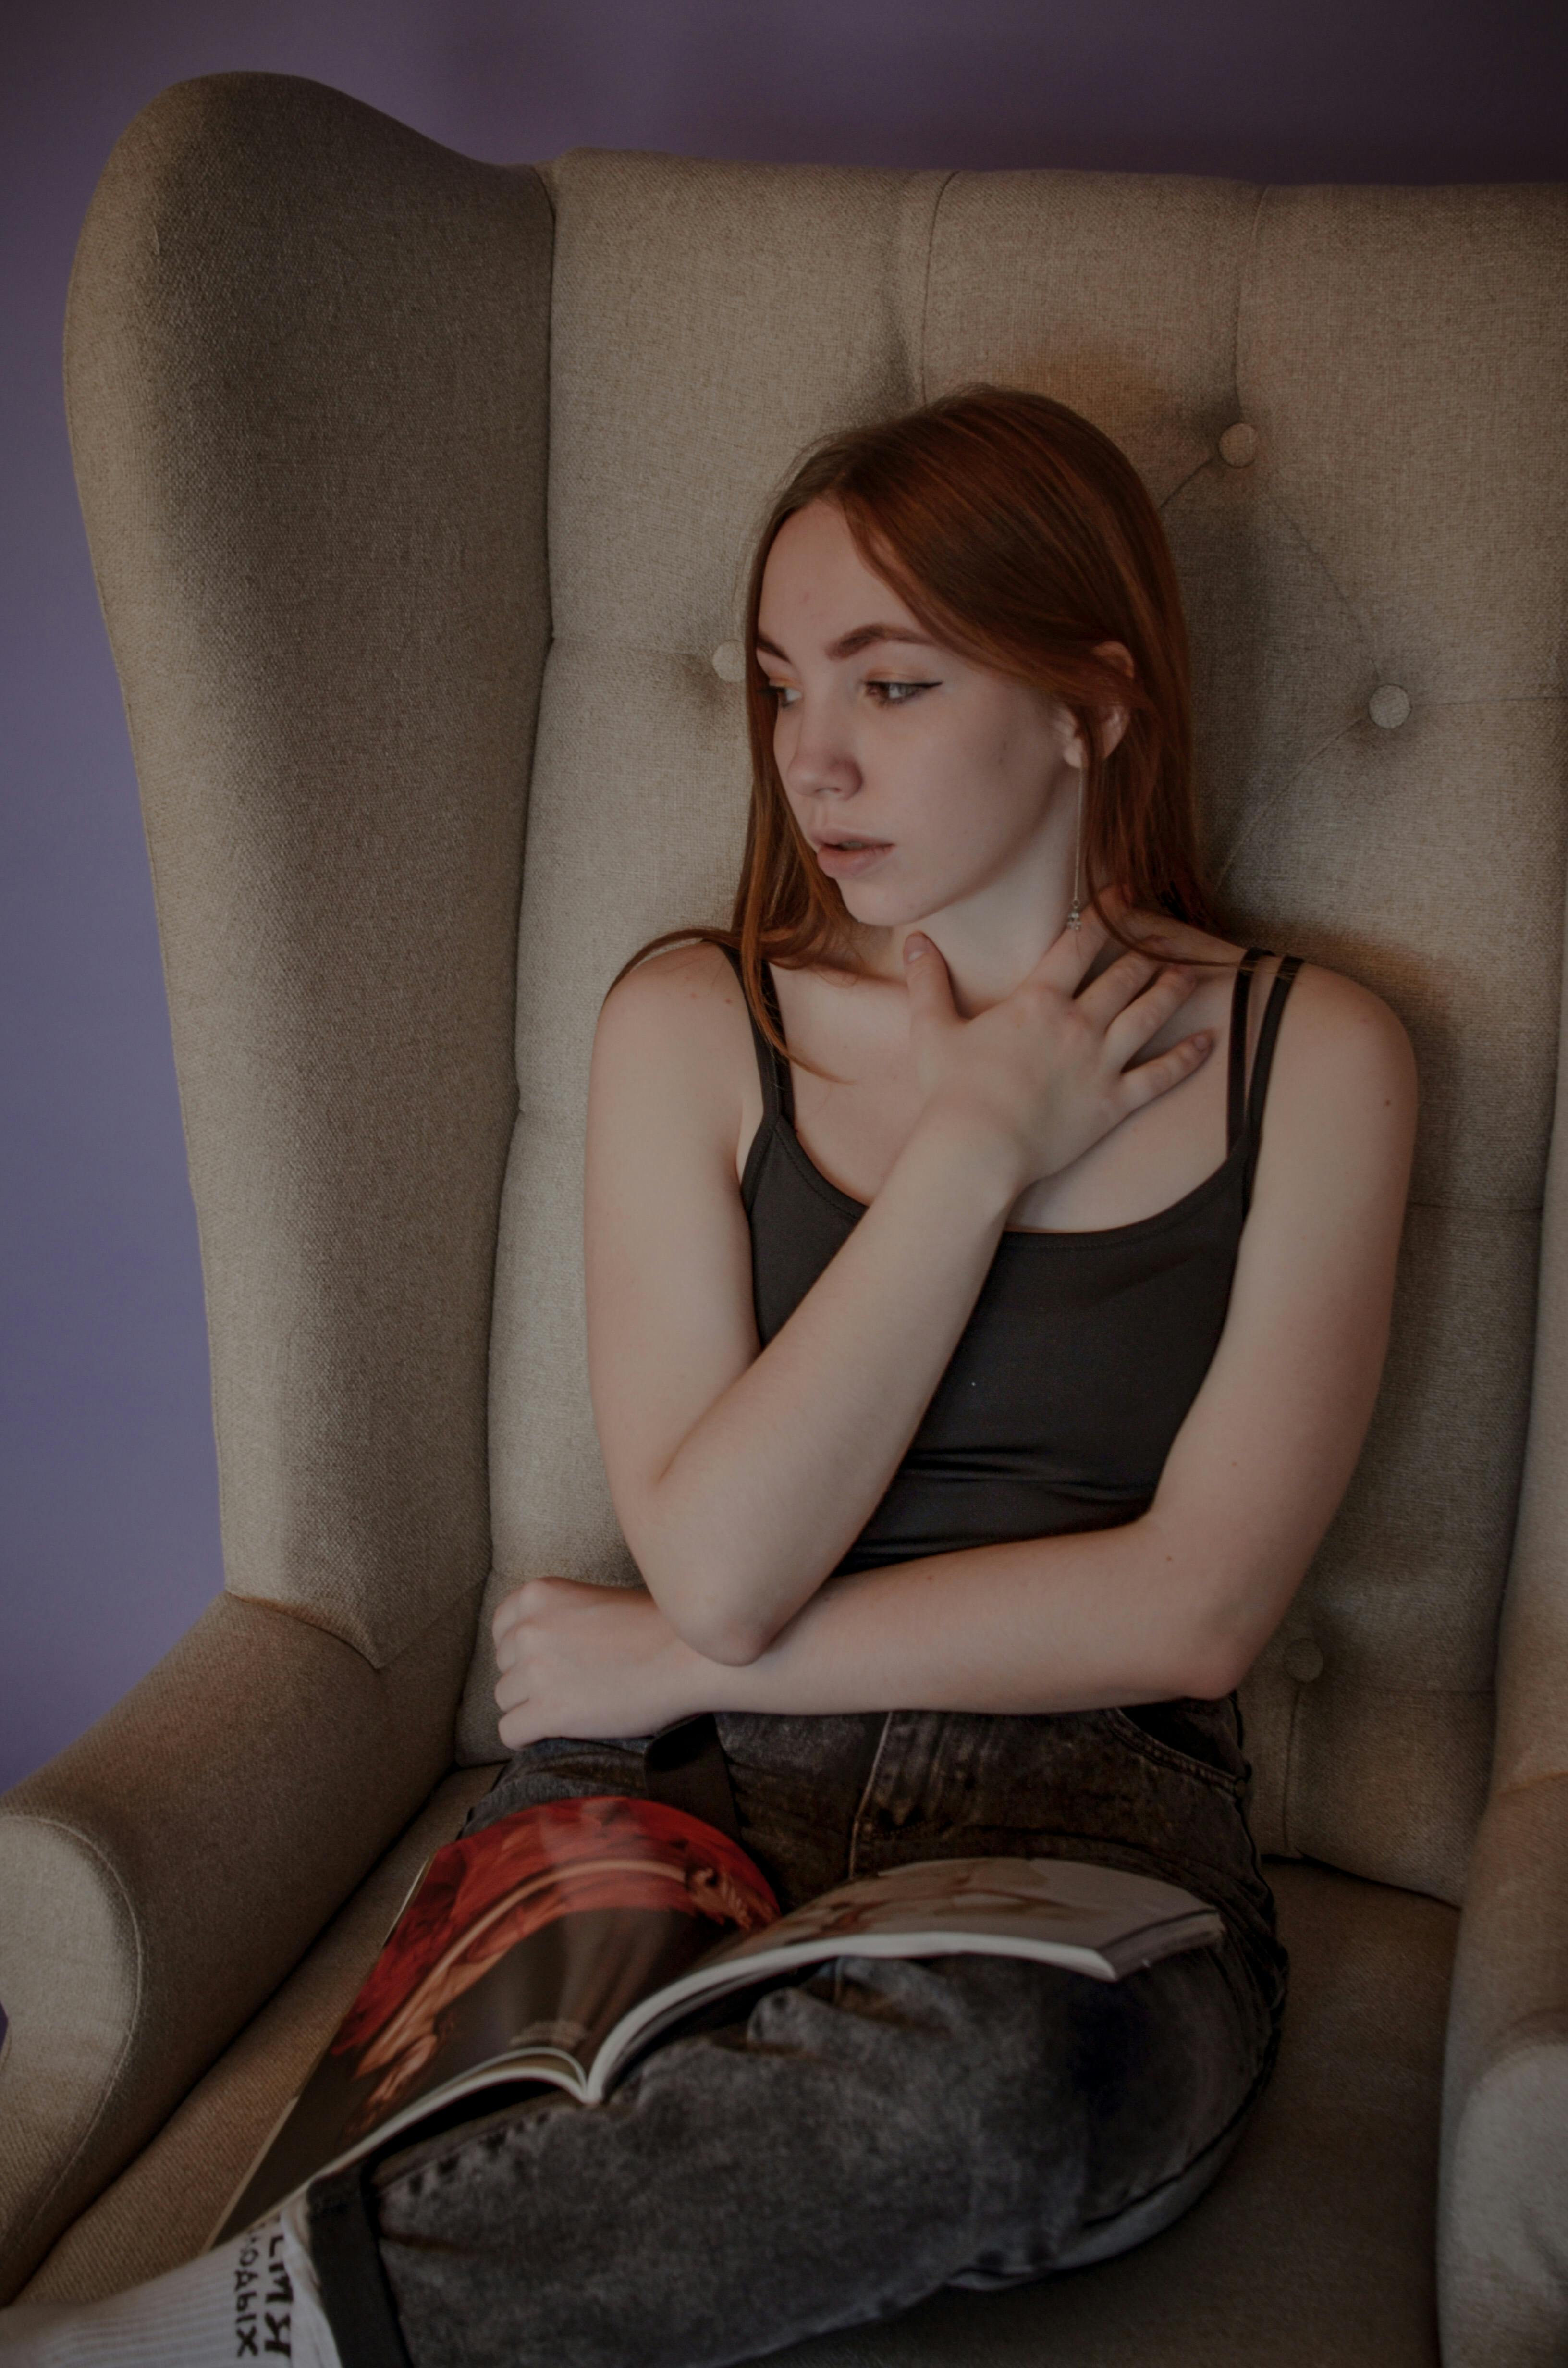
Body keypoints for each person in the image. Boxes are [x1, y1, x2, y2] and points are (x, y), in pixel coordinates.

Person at [0, 387, 1415, 2368]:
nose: (811, 757)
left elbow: (1193, 1607)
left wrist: (680, 1658)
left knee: (993, 2094)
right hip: (671, 1793)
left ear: (1095, 701)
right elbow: (726, 1551)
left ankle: (173, 2345)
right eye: (775, 686)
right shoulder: (694, 1018)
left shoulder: (1318, 1055)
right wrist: (975, 1150)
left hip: (1087, 1823)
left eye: (893, 682)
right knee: (544, 2140)